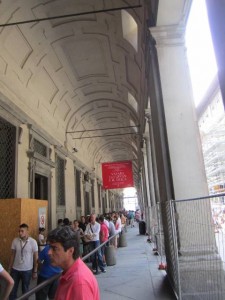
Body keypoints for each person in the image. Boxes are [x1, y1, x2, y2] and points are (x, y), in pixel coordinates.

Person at [47, 226, 100, 300]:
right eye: (50, 247)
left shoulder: (79, 283)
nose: (49, 252)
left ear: (70, 251)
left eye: (54, 248)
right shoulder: (69, 273)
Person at [8, 223, 38, 300]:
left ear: (27, 231)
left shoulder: (33, 242)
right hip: (15, 269)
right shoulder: (15, 241)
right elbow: (12, 255)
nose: (20, 233)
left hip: (27, 270)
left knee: (25, 289)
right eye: (19, 231)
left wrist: (35, 271)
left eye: (22, 231)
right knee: (12, 289)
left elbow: (36, 258)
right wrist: (9, 268)